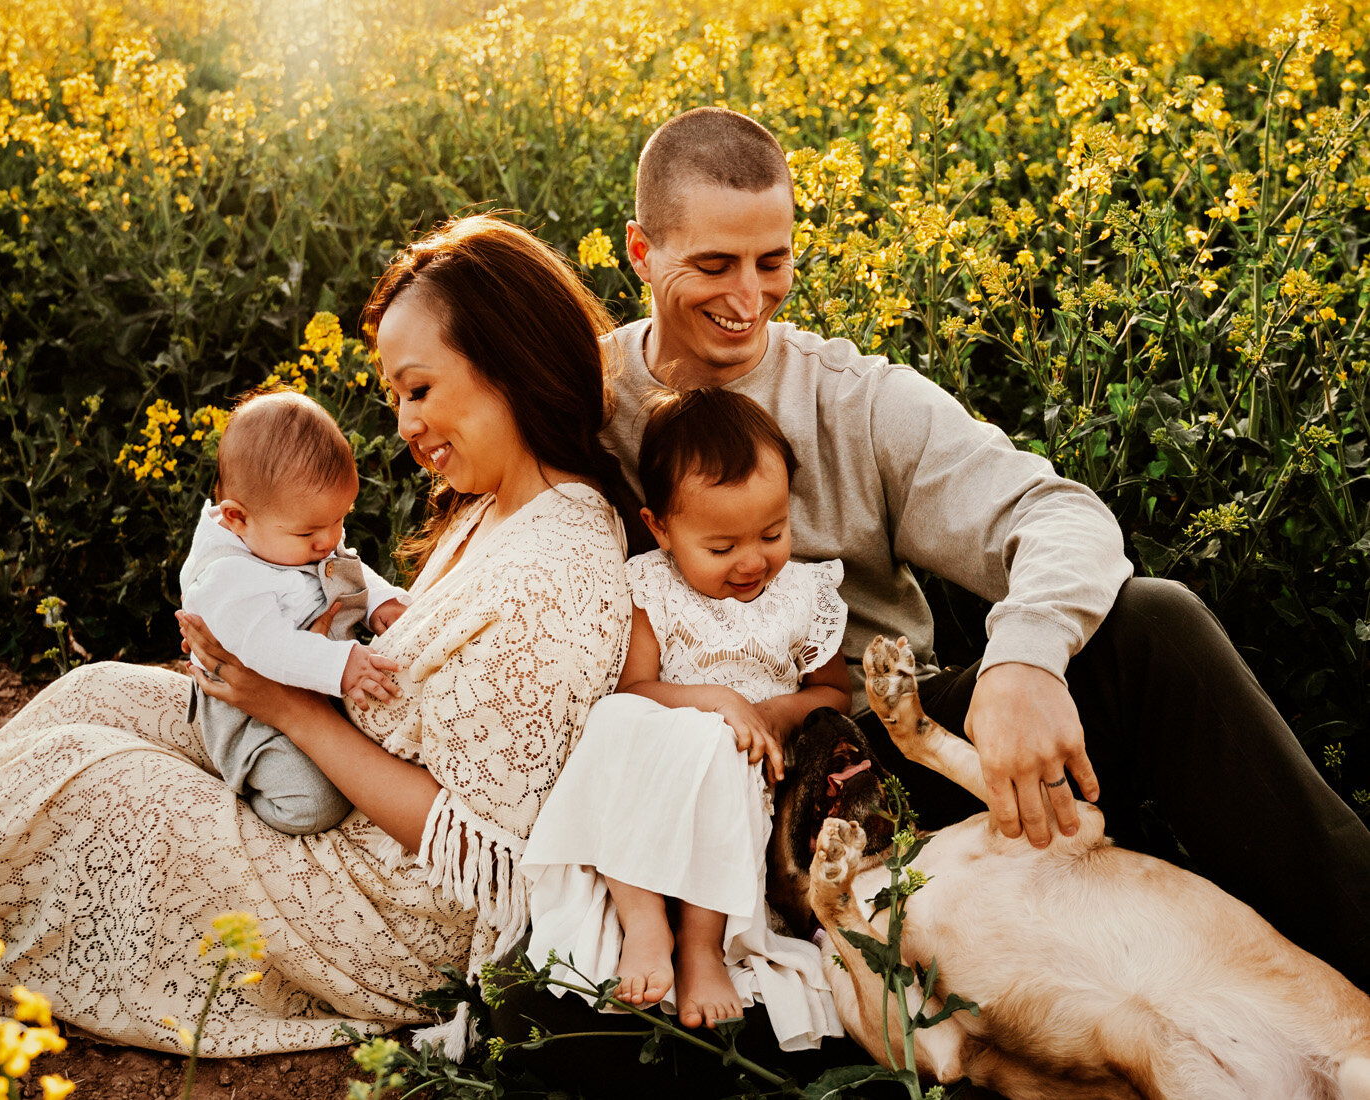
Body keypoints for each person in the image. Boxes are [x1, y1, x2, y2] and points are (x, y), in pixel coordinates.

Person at [598, 106, 1370, 990]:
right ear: (639, 252)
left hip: (879, 739)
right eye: (712, 265)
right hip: (682, 779)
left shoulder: (856, 398)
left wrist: (1025, 660)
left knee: (1155, 626)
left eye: (773, 262)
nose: (747, 298)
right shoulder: (582, 399)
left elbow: (1054, 513)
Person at [0, 214, 633, 1057]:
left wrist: (284, 705)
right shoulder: (494, 505)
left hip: (381, 904)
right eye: (396, 397)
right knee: (95, 694)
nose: (405, 424)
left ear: (510, 364)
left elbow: (479, 849)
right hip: (332, 784)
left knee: (85, 785)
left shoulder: (556, 568)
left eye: (418, 389)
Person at [522, 387, 850, 1050]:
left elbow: (835, 696)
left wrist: (765, 712)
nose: (753, 560)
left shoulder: (806, 592)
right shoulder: (651, 587)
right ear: (662, 528)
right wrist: (716, 700)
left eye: (772, 533)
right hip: (666, 760)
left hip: (750, 772)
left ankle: (702, 947)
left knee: (720, 744)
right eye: (722, 545)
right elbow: (637, 688)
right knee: (618, 719)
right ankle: (645, 921)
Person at [179, 387, 408, 835]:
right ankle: (251, 798)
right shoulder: (228, 578)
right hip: (254, 716)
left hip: (311, 683)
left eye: (340, 519)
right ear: (236, 518)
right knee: (318, 803)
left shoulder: (289, 534)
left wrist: (379, 600)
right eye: (311, 533)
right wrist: (341, 664)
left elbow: (344, 565)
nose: (329, 540)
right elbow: (271, 649)